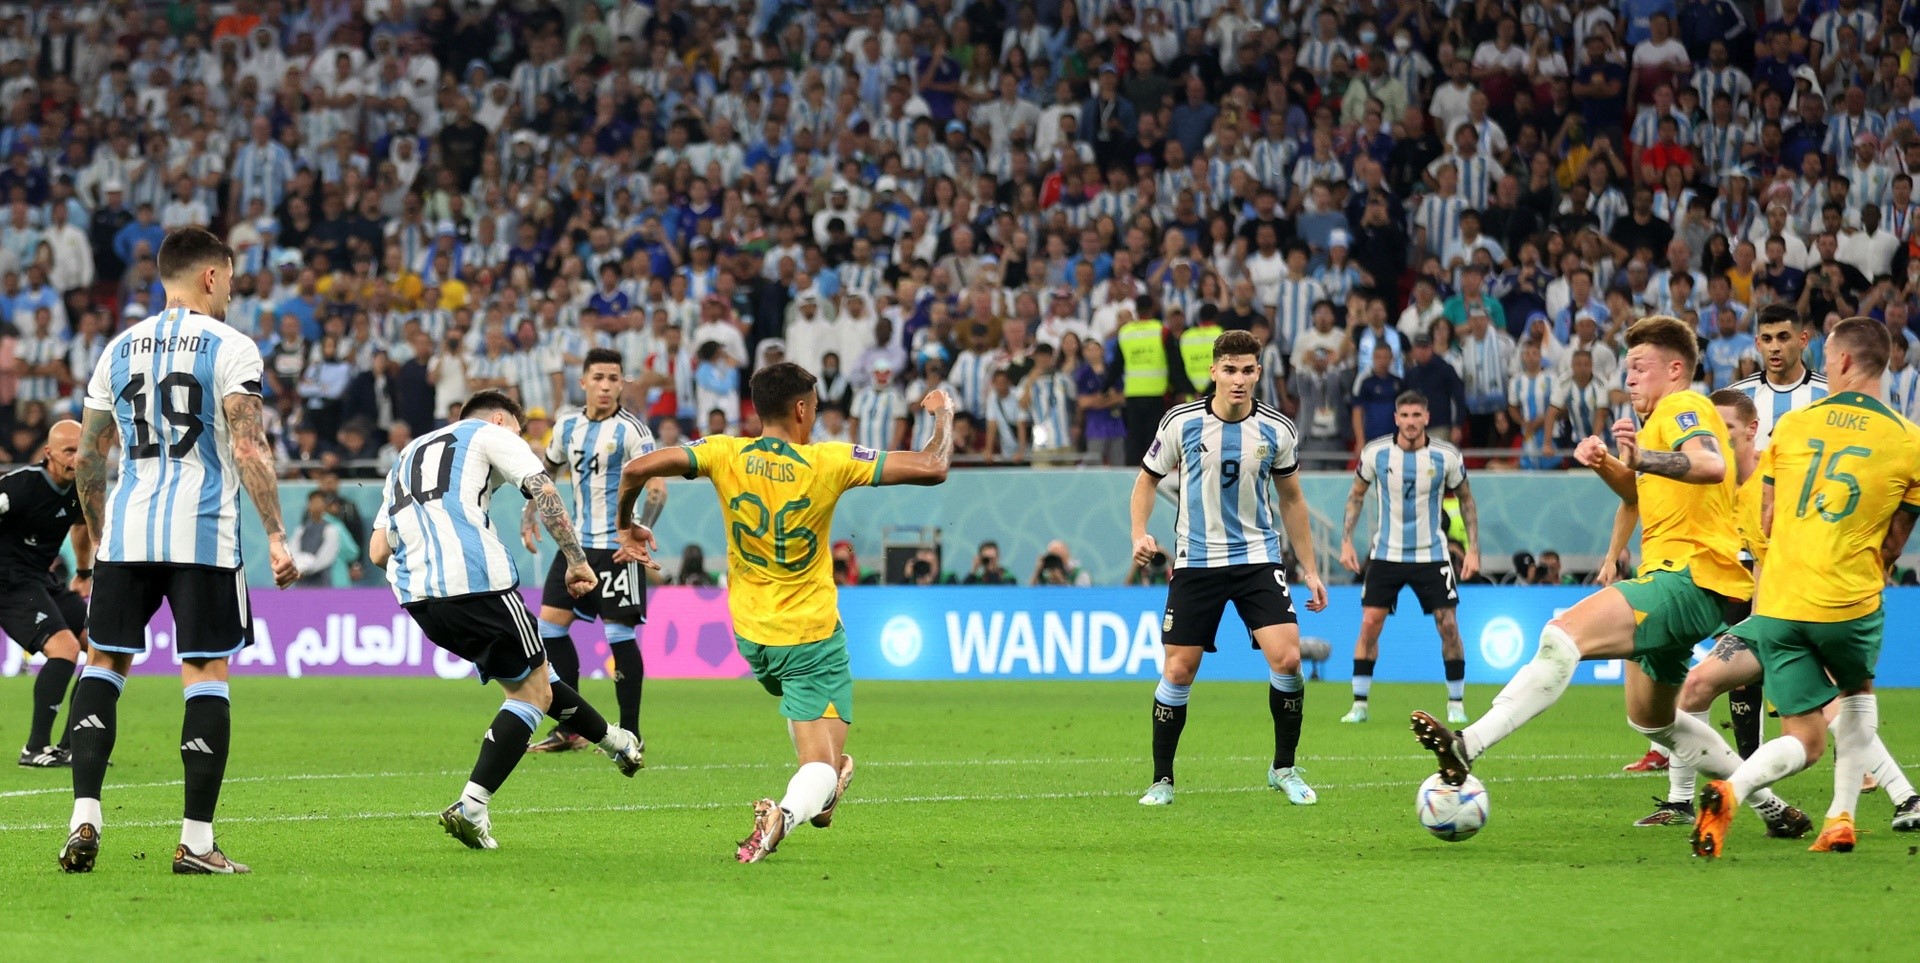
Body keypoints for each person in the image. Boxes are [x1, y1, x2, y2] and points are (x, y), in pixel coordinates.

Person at [1408, 315, 1810, 838]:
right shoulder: (1658, 421)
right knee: (1653, 721)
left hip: (1687, 578)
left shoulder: (1685, 406)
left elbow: (1710, 466)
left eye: (1640, 367)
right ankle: (1772, 808)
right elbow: (1639, 496)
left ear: (1675, 368)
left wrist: (1642, 454)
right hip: (1689, 584)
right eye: (1627, 369)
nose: (1630, 379)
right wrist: (1607, 464)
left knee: (1561, 636)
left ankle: (1467, 746)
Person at [611, 362, 956, 862]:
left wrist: (628, 525)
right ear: (800, 409)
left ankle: (823, 794)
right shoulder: (829, 461)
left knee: (828, 783)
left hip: (752, 634)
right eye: (813, 408)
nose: (814, 416)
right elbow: (933, 467)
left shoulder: (722, 451)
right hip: (811, 634)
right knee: (817, 765)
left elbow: (636, 468)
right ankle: (782, 818)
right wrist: (943, 415)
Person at [63, 228, 300, 875]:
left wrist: (101, 535)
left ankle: (85, 816)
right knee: (204, 674)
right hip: (203, 534)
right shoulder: (231, 346)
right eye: (229, 275)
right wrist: (276, 532)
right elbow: (248, 446)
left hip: (127, 535)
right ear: (212, 277)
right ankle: (196, 841)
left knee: (104, 665)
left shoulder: (116, 348)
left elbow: (87, 457)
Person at [368, 389, 644, 851]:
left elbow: (379, 551)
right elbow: (544, 489)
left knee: (536, 678)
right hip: (477, 580)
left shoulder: (407, 455)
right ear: (500, 420)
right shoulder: (489, 432)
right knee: (532, 692)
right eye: (518, 432)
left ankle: (617, 742)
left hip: (419, 600)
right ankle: (472, 806)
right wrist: (577, 561)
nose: (519, 440)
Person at [1636, 388, 1920, 829]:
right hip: (1766, 615)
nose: (1720, 439)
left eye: (1727, 430)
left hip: (1799, 609)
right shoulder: (1720, 491)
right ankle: (1680, 802)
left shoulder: (1778, 481)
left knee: (1830, 711)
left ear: (1751, 432)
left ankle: (1905, 797)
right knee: (1696, 687)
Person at [1694, 318, 1920, 857]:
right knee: (1856, 696)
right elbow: (1894, 543)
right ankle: (1840, 818)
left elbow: (1768, 518)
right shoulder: (1908, 440)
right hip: (1847, 596)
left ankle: (1734, 788)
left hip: (1779, 600)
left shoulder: (1792, 429)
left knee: (1804, 736)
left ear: (1840, 361)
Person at [1130, 330, 1331, 808]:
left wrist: (1311, 568)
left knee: (1287, 660)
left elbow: (1292, 500)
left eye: (1248, 370)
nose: (1239, 380)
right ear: (1214, 372)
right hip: (1196, 561)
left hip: (1257, 559)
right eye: (1230, 370)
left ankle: (1283, 767)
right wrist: (1140, 533)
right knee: (1179, 671)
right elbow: (1145, 482)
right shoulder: (1181, 422)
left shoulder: (1278, 430)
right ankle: (1162, 780)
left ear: (1258, 372)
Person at [1626, 302, 1828, 772]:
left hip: (1797, 551)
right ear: (1756, 344)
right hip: (1728, 544)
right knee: (1721, 674)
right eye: (1767, 338)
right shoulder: (1735, 395)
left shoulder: (1824, 396)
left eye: (1784, 337)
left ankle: (1865, 774)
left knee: (1817, 680)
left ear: (1803, 340)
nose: (1775, 347)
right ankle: (1739, 764)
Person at [519, 348, 664, 753]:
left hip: (617, 547)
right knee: (548, 630)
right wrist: (529, 515)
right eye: (598, 377)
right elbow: (544, 476)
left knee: (619, 635)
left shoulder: (633, 431)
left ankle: (631, 733)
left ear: (621, 384)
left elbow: (656, 488)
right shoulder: (566, 427)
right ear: (583, 382)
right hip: (575, 548)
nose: (605, 386)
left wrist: (639, 532)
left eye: (613, 379)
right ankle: (572, 728)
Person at [1337, 392, 1479, 724]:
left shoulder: (1446, 456)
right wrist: (1345, 542)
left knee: (1448, 625)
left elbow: (1468, 501)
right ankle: (1359, 705)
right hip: (1386, 553)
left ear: (1427, 417)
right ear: (1396, 418)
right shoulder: (1376, 452)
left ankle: (1456, 703)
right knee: (1370, 624)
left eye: (1417, 414)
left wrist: (1473, 550)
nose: (1411, 421)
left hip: (1432, 554)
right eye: (1405, 415)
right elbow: (1356, 496)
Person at [0, 421, 92, 768]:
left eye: (82, 449)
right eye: (69, 451)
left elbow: (82, 526)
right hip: (9, 582)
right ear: (49, 454)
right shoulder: (22, 487)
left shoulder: (83, 487)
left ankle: (73, 744)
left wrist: (83, 573)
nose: (77, 458)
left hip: (42, 578)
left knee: (105, 649)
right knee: (66, 649)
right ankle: (35, 748)